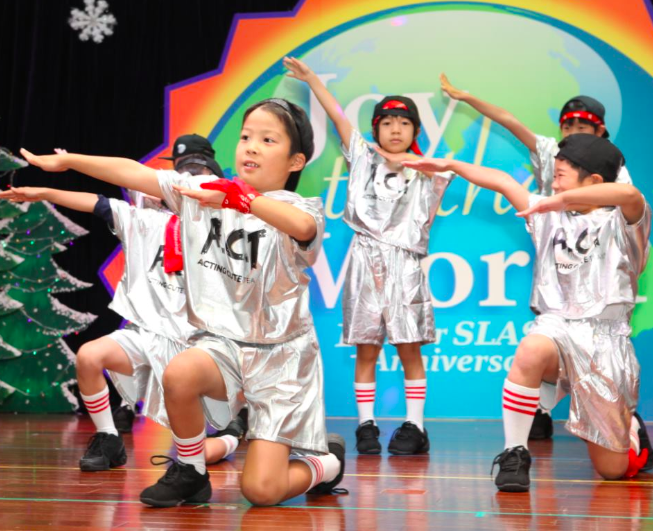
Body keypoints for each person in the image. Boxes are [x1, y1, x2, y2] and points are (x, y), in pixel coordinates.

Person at [19, 97, 346, 507]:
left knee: (262, 492)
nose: (251, 147)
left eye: (268, 140)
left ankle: (327, 463)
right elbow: (134, 173)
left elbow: (302, 226)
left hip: (282, 360)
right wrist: (70, 162)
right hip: (225, 345)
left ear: (296, 161)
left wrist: (240, 200)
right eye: (246, 137)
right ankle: (192, 471)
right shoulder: (204, 193)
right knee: (179, 372)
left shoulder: (301, 207)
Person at [404, 134, 651, 491]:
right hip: (558, 328)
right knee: (531, 348)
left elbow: (630, 195)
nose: (554, 183)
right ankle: (515, 452)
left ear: (594, 180)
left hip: (606, 341)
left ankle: (630, 433)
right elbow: (503, 181)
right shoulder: (547, 213)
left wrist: (560, 200)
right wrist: (450, 164)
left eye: (561, 175)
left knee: (612, 471)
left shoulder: (623, 222)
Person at [0, 140, 237, 469]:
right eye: (180, 180)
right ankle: (109, 439)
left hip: (200, 343)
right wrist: (43, 193)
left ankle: (231, 435)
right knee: (89, 356)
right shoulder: (142, 220)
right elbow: (95, 202)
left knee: (200, 449)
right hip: (147, 335)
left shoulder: (225, 230)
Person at [440, 74, 637, 440]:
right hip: (556, 240)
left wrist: (560, 199)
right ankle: (536, 417)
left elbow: (629, 200)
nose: (572, 133)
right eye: (568, 126)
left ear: (601, 133)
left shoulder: (613, 171)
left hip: (600, 270)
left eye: (583, 127)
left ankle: (625, 421)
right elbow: (509, 126)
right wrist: (465, 98)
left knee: (602, 367)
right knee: (544, 336)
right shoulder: (550, 153)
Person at [284, 56, 454, 455]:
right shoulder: (362, 156)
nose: (395, 129)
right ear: (376, 128)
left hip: (405, 263)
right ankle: (366, 426)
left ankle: (415, 426)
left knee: (409, 347)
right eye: (387, 122)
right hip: (364, 259)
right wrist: (311, 79)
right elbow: (338, 116)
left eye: (404, 123)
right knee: (366, 347)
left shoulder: (431, 170)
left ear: (415, 130)